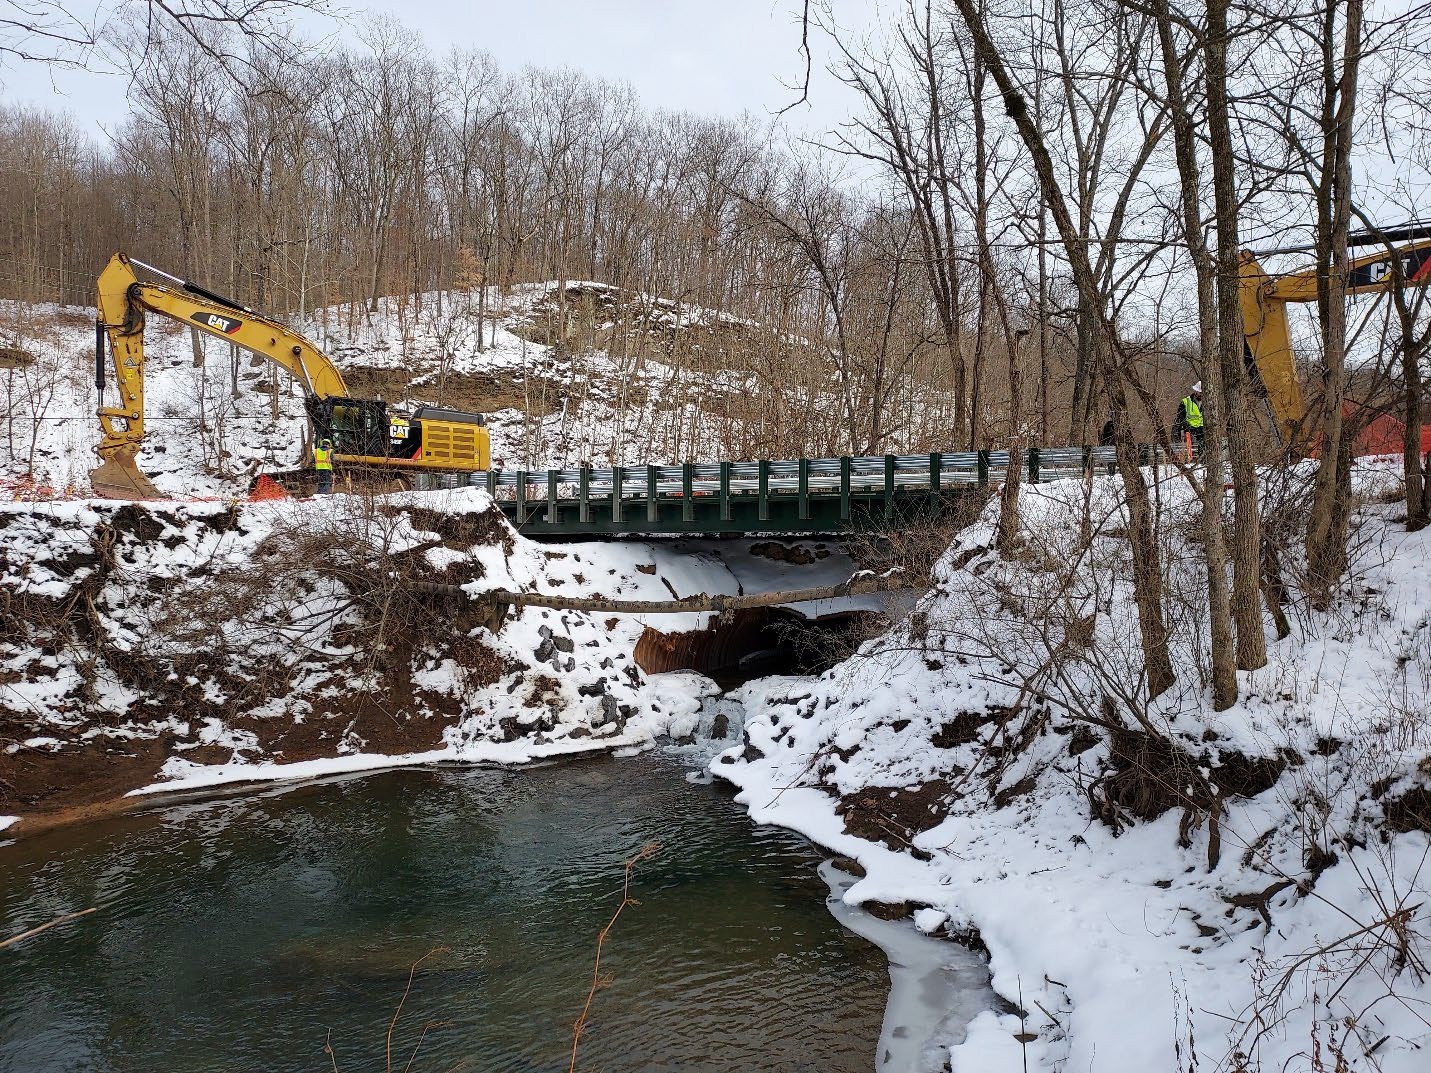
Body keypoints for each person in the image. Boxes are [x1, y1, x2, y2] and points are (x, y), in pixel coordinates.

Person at [1172, 382, 1205, 458]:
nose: (1201, 394)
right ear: (1195, 391)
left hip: (1203, 429)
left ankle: (1202, 460)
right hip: (1190, 429)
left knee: (1203, 447)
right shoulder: (1186, 402)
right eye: (1200, 392)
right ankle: (1191, 460)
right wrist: (1183, 428)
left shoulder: (1209, 401)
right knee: (1191, 450)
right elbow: (1180, 417)